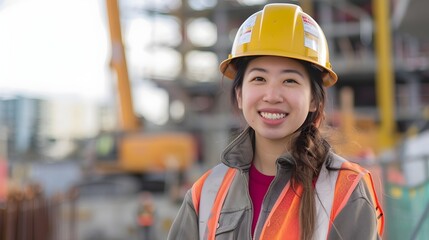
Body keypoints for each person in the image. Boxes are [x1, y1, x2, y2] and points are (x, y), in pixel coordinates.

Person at [168, 3, 384, 240]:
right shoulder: (205, 194)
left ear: (314, 99)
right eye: (259, 78)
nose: (271, 95)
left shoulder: (346, 190)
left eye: (289, 81)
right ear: (239, 95)